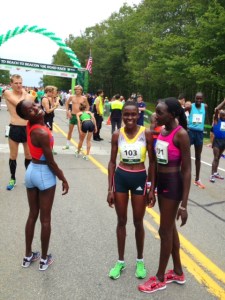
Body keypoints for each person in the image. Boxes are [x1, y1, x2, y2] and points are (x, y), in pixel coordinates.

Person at [138, 97, 191, 294]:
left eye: (159, 112)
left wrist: (184, 205)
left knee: (164, 230)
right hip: (162, 186)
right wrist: (152, 188)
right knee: (170, 228)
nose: (155, 115)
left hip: (173, 186)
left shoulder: (181, 135)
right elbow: (157, 162)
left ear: (172, 115)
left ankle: (160, 278)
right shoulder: (164, 130)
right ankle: (177, 271)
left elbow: (186, 171)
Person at [16, 100, 69, 271]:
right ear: (25, 116)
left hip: (31, 170)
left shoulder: (30, 125)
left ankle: (27, 255)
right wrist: (63, 178)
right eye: (30, 111)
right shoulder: (42, 132)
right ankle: (44, 259)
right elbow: (51, 163)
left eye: (35, 105)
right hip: (44, 173)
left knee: (32, 214)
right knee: (45, 219)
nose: (37, 109)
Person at [107, 101, 156, 280]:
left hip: (139, 177)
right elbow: (112, 162)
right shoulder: (116, 134)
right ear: (122, 116)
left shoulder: (146, 133)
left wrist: (151, 188)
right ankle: (120, 262)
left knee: (138, 221)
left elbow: (153, 163)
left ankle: (140, 260)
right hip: (121, 177)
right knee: (121, 221)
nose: (129, 118)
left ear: (138, 115)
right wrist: (110, 189)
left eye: (133, 114)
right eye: (126, 114)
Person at [4, 74, 35, 191]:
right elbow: (21, 105)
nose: (18, 85)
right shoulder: (8, 93)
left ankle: (28, 178)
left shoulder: (27, 95)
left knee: (28, 155)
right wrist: (25, 94)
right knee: (13, 155)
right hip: (14, 127)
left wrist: (26, 95)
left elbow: (30, 107)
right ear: (11, 84)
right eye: (16, 83)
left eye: (20, 83)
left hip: (26, 128)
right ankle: (12, 178)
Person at [187, 92, 208, 188]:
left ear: (203, 99)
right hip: (190, 132)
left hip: (199, 134)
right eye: (197, 98)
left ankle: (197, 179)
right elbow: (180, 112)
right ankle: (182, 175)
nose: (198, 100)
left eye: (200, 99)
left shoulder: (205, 106)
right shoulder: (190, 106)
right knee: (185, 154)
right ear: (194, 98)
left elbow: (216, 109)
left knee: (198, 156)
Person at [62, 85, 89, 150]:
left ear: (81, 90)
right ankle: (67, 145)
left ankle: (80, 146)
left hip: (80, 116)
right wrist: (68, 111)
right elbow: (67, 103)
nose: (77, 90)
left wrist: (85, 113)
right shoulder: (72, 97)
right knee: (70, 131)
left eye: (79, 89)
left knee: (81, 132)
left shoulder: (84, 98)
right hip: (73, 115)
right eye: (76, 89)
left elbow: (88, 106)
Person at [209, 99, 225, 182]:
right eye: (222, 111)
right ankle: (212, 175)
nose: (222, 111)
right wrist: (224, 101)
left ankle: (215, 173)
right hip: (217, 141)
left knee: (218, 157)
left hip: (224, 141)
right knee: (215, 157)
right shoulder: (216, 120)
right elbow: (217, 109)